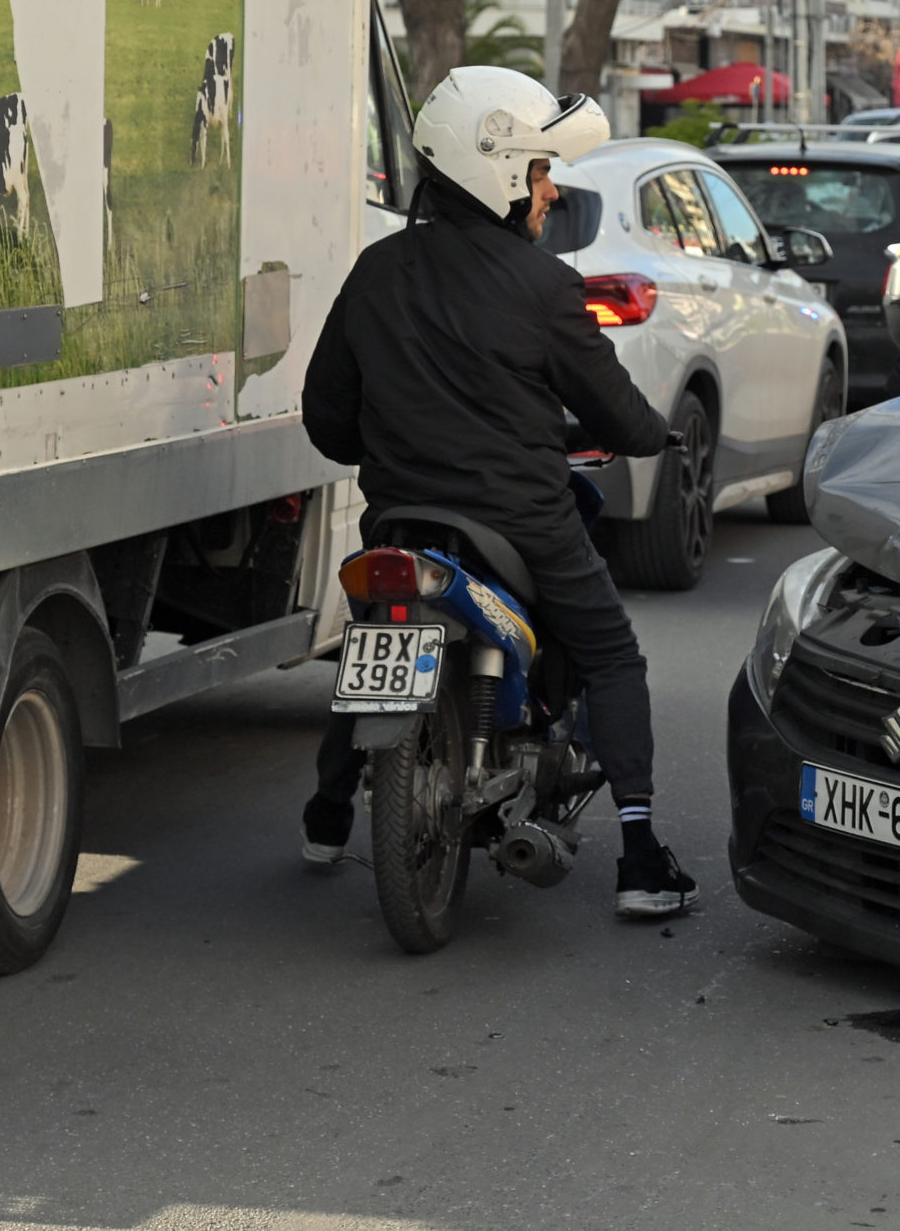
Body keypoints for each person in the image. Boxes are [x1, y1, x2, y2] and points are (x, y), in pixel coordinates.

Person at [297, 66, 696, 920]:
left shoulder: (375, 270)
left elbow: (326, 417)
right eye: (543, 170)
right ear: (503, 169)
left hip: (401, 519)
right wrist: (655, 432)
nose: (550, 190)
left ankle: (327, 817)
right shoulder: (543, 284)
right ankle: (640, 857)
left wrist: (394, 440)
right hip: (526, 522)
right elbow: (616, 410)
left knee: (375, 638)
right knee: (612, 653)